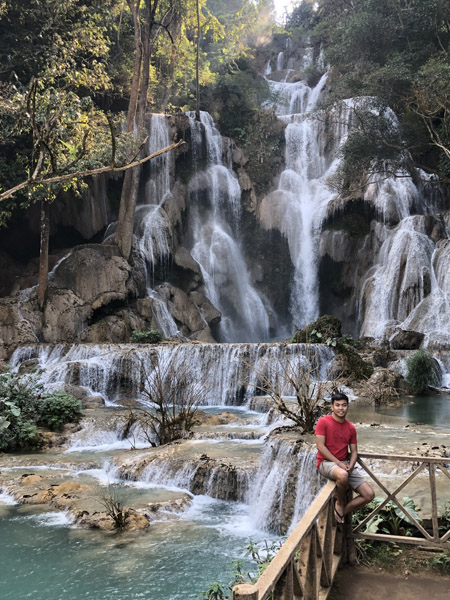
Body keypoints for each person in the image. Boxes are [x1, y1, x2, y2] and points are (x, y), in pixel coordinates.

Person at [315, 391, 374, 524]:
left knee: (369, 495)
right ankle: (340, 503)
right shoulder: (323, 422)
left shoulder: (351, 428)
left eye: (344, 405)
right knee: (342, 475)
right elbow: (320, 446)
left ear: (348, 407)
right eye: (338, 405)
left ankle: (341, 512)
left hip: (345, 465)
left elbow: (354, 451)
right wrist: (339, 463)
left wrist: (351, 465)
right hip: (326, 462)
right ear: (332, 407)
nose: (341, 408)